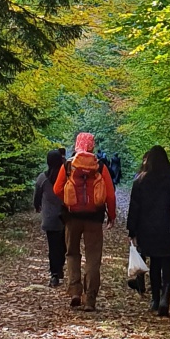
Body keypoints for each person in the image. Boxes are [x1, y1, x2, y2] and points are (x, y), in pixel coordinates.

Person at [53, 132, 116, 311]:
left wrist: (68, 200)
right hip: (95, 219)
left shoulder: (68, 165)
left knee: (72, 253)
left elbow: (57, 189)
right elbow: (110, 195)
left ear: (77, 144)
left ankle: (74, 291)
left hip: (72, 218)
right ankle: (90, 298)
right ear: (92, 145)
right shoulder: (100, 166)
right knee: (93, 258)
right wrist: (111, 215)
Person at [127, 145, 170, 318]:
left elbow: (135, 207)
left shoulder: (141, 180)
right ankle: (165, 298)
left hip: (148, 230)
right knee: (168, 264)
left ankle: (155, 299)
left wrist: (132, 230)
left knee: (154, 264)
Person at [33, 148, 67, 286]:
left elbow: (37, 195)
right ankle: (59, 268)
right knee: (63, 246)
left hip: (49, 218)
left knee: (53, 247)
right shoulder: (66, 176)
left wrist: (37, 206)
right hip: (65, 216)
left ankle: (54, 273)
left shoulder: (43, 177)